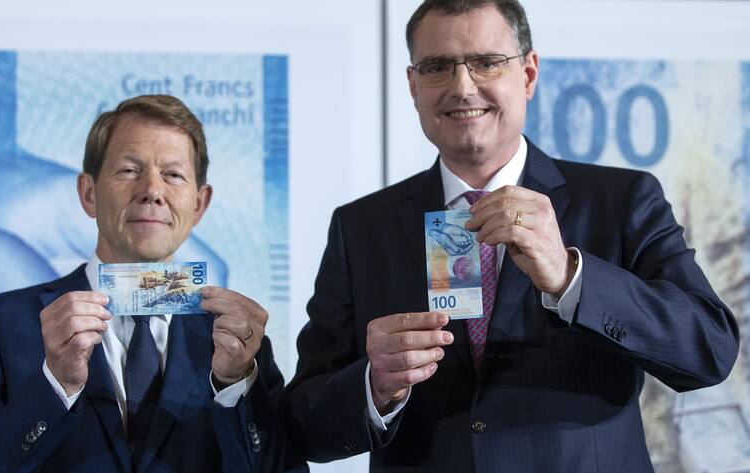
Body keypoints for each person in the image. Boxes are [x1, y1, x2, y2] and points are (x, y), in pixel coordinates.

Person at [279, 1, 740, 471]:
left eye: (486, 62)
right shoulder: (361, 226)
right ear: (413, 86)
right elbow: (303, 426)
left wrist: (570, 278)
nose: (462, 87)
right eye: (437, 66)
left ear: (528, 73)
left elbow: (708, 351)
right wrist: (375, 386)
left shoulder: (622, 200)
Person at [0, 94, 306, 473]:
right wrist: (52, 387)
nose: (152, 191)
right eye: (128, 170)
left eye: (173, 175)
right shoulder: (0, 324)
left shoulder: (236, 341)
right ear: (89, 193)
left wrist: (236, 386)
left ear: (199, 204)